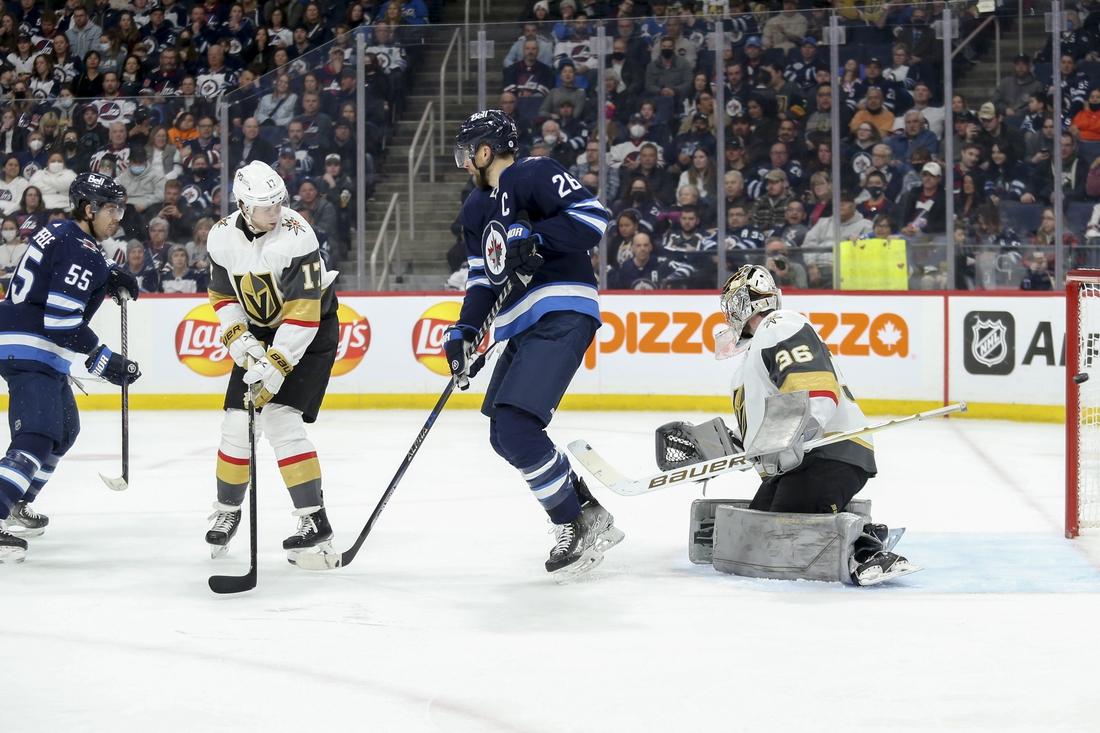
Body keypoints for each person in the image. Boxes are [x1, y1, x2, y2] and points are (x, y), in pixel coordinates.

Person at [446, 110, 622, 581]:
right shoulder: (474, 211)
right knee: (502, 433)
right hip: (520, 324)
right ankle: (583, 507)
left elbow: (593, 218)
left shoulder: (535, 171)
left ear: (485, 151)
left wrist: (539, 234)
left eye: (467, 152)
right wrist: (465, 330)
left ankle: (576, 522)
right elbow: (484, 279)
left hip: (563, 308)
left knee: (519, 426)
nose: (463, 163)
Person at [712, 265, 913, 585]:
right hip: (800, 462)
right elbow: (772, 423)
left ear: (741, 303)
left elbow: (815, 388)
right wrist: (727, 445)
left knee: (780, 542)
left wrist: (797, 435)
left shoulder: (778, 324)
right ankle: (859, 528)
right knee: (756, 533)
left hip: (827, 453)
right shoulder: (757, 350)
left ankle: (864, 548)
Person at [203, 161, 340, 563]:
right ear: (244, 207)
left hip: (311, 329)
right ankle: (227, 512)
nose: (276, 212)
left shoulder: (297, 236)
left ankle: (315, 519)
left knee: (280, 418)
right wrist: (239, 340)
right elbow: (223, 298)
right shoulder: (220, 238)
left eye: (280, 203)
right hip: (260, 330)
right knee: (236, 424)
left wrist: (276, 365)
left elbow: (303, 313)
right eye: (266, 207)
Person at [0, 172, 141, 561]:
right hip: (31, 347)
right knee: (38, 436)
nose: (117, 216)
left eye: (120, 208)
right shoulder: (81, 249)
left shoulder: (62, 232)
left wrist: (108, 276)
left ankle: (16, 501)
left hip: (29, 344)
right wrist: (104, 361)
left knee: (63, 430)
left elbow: (56, 276)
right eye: (110, 208)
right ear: (87, 208)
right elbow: (60, 322)